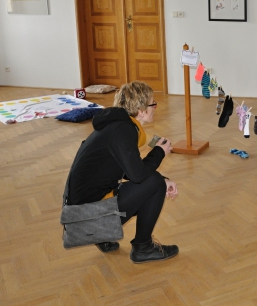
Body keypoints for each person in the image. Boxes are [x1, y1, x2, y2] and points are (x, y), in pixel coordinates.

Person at [65, 81, 179, 263]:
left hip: (79, 215)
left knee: (156, 181)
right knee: (155, 183)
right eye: (153, 104)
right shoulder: (124, 130)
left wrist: (163, 179)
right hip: (85, 219)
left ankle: (102, 236)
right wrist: (159, 152)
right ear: (141, 111)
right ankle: (143, 248)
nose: (155, 108)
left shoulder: (116, 126)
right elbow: (138, 175)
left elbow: (128, 169)